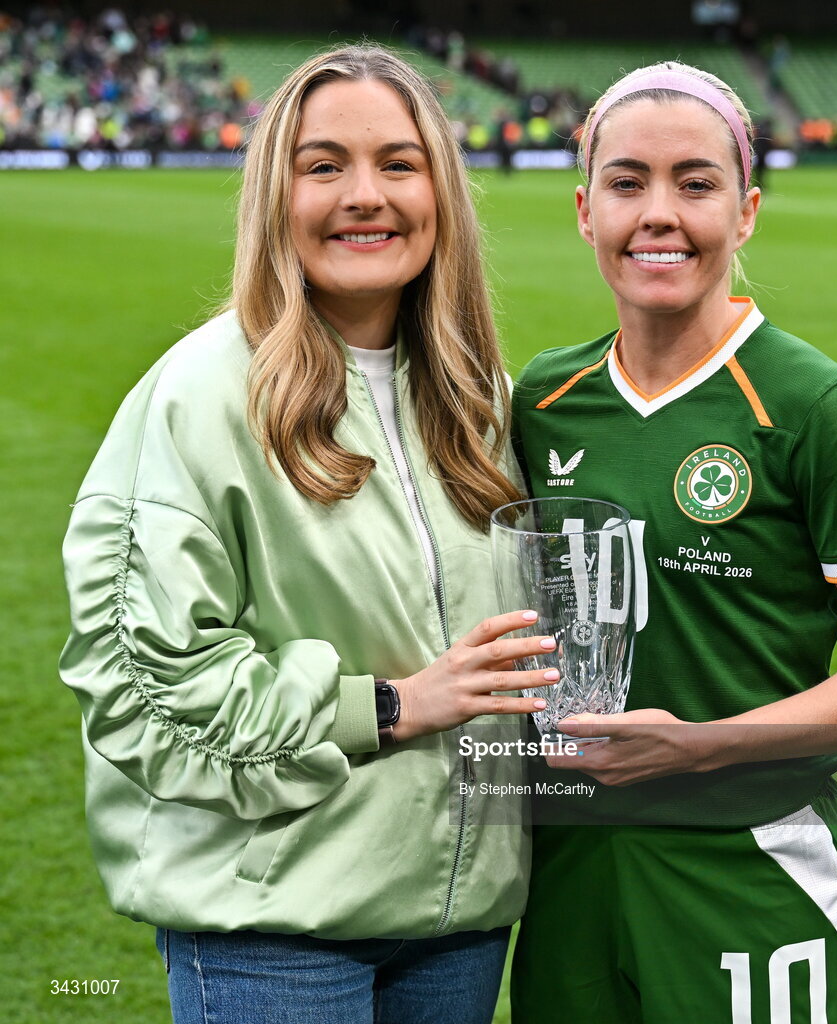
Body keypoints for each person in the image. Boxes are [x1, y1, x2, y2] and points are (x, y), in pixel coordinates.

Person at [59, 45, 557, 1024]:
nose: (364, 195)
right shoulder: (199, 397)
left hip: (457, 922)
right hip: (272, 923)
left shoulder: (480, 401)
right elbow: (140, 686)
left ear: (441, 194)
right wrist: (388, 706)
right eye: (324, 165)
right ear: (274, 194)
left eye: (398, 164)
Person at [510, 61, 837, 1023]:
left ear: (746, 210)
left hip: (746, 863)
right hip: (569, 872)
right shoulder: (542, 402)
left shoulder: (815, 408)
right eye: (628, 183)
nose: (659, 214)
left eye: (697, 183)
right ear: (584, 209)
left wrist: (701, 748)